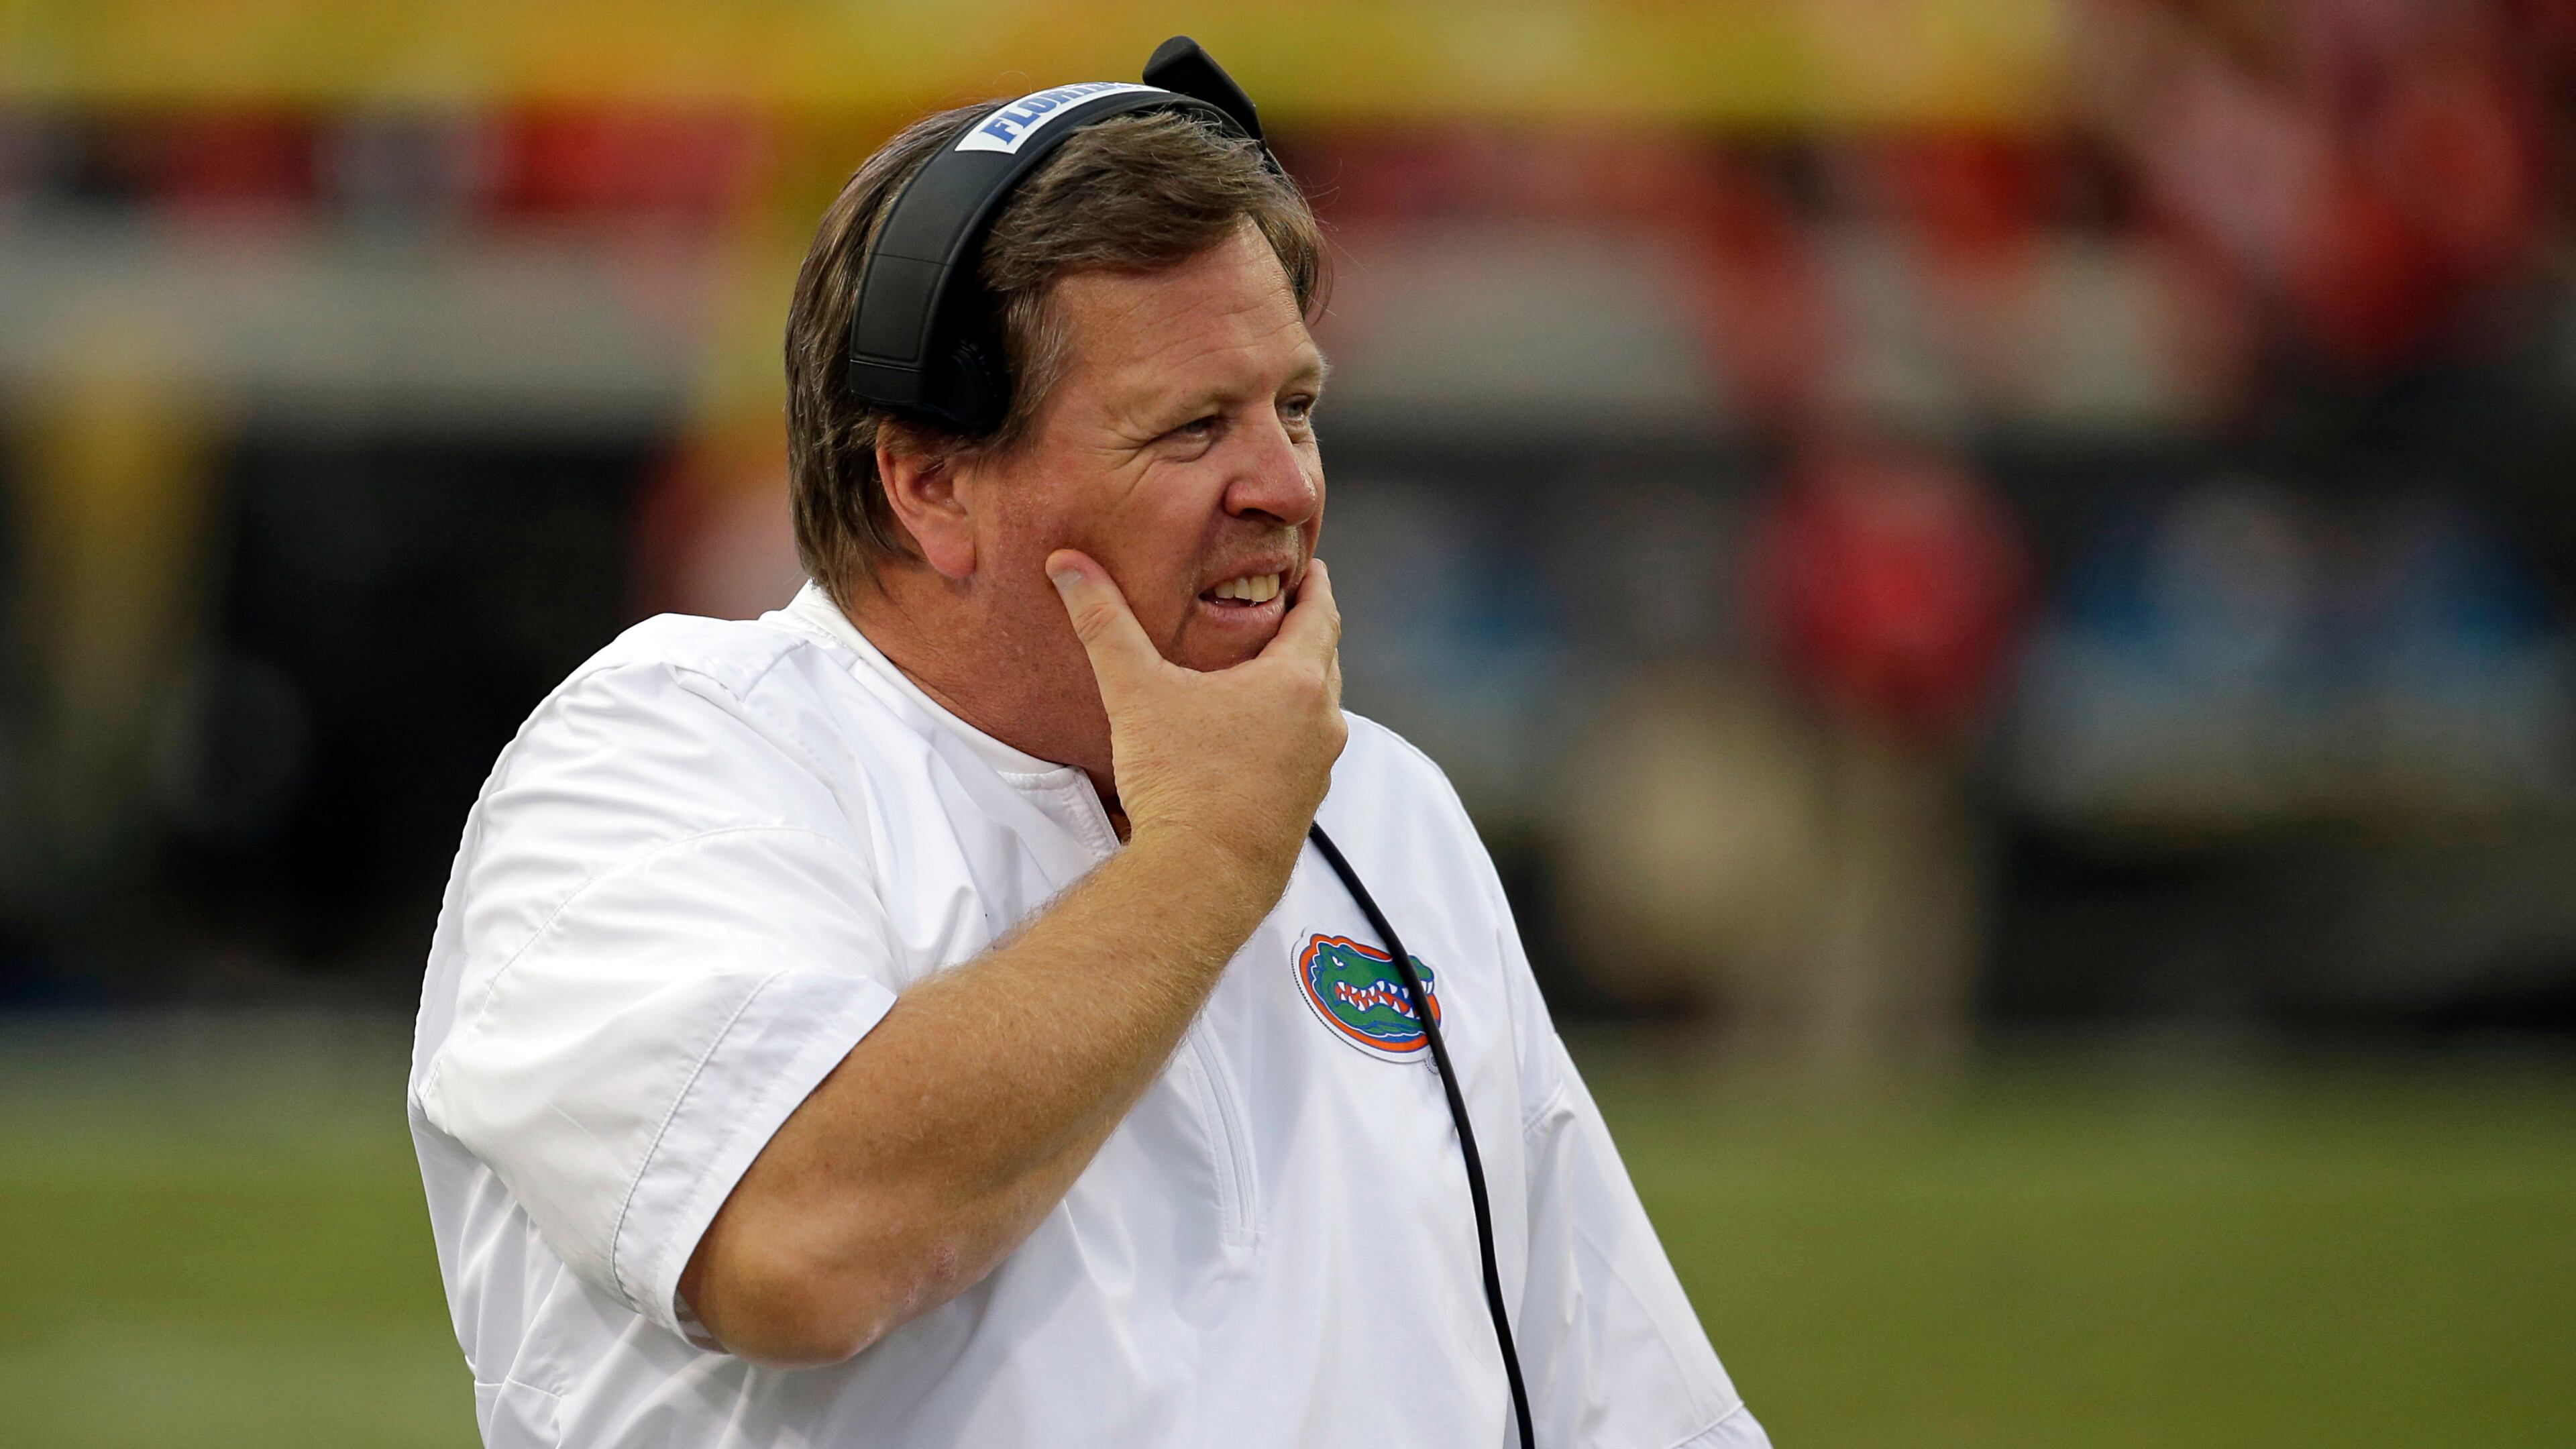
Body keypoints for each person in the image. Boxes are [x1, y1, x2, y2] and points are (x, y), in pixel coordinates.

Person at [407, 81, 1768, 1449]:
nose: (1286, 487)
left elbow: (1615, 1398)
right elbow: (803, 1247)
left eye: (1292, 408)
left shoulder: (1381, 804)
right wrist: (1209, 854)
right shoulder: (668, 755)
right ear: (930, 485)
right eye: (1191, 428)